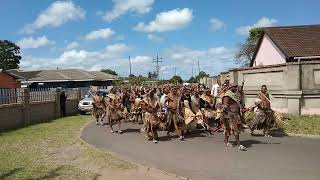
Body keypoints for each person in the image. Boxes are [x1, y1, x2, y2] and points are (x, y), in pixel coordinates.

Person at [221, 83, 246, 151]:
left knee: (228, 129)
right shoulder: (227, 95)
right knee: (235, 129)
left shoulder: (233, 94)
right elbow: (225, 105)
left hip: (235, 114)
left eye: (236, 87)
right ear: (231, 87)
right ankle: (239, 144)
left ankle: (226, 141)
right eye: (235, 87)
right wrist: (226, 108)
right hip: (230, 115)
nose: (236, 88)